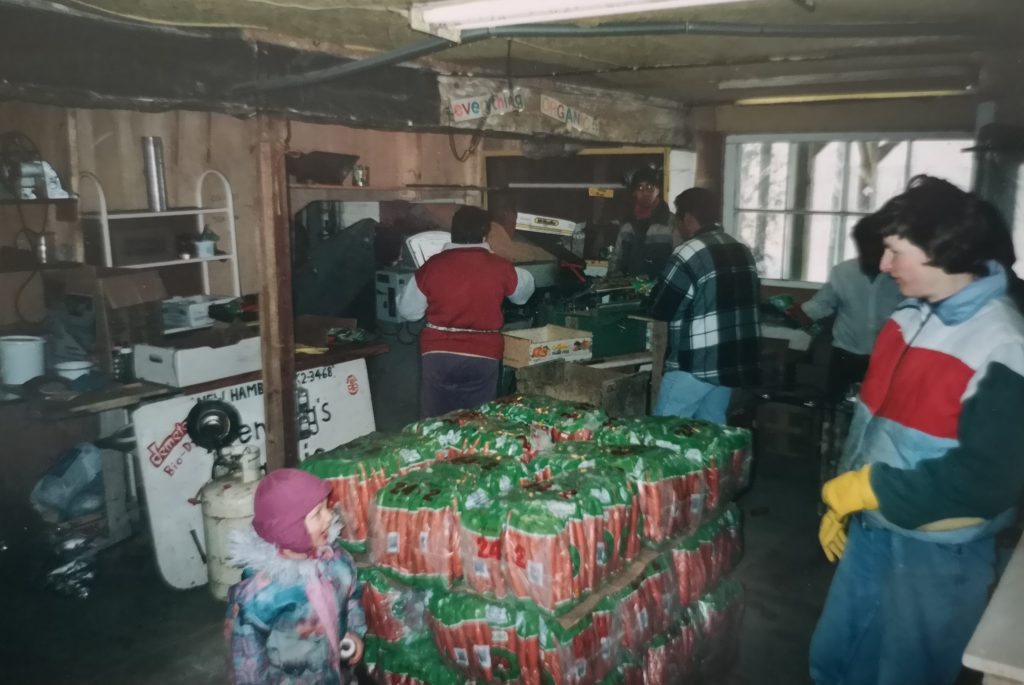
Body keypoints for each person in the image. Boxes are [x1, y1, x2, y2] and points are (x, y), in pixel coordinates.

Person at [810, 176, 1024, 685]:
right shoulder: (908, 319)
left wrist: (870, 487)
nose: (883, 266)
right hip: (874, 528)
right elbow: (872, 422)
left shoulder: (1004, 345)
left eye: (894, 252)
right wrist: (847, 494)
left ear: (942, 250)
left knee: (907, 674)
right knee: (836, 661)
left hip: (937, 553)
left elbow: (988, 480)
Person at [226, 468, 366, 685]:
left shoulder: (337, 561)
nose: (329, 517)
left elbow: (352, 598)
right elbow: (247, 662)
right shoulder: (263, 595)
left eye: (326, 508)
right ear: (288, 529)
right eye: (317, 513)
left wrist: (353, 632)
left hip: (337, 675)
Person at [397, 206, 535, 417]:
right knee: (477, 424)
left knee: (436, 423)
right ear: (485, 233)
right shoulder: (500, 267)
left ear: (453, 232)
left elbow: (408, 311)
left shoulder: (432, 267)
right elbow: (522, 295)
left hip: (438, 357)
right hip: (483, 357)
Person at [649, 187, 761, 424]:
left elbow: (662, 307)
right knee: (709, 433)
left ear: (688, 217)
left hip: (695, 366)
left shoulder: (688, 252)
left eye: (679, 218)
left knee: (664, 434)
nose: (679, 225)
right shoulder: (741, 250)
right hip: (730, 364)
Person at [790, 212, 903, 402]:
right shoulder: (843, 272)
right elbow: (822, 304)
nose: (868, 255)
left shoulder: (902, 276)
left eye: (874, 249)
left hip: (890, 360)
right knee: (838, 413)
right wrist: (802, 313)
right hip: (845, 358)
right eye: (863, 248)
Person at [607, 167, 679, 279]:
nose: (645, 192)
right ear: (634, 193)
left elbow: (678, 261)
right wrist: (614, 276)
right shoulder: (627, 225)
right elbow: (616, 259)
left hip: (659, 291)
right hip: (630, 292)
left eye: (650, 187)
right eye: (640, 188)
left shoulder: (671, 222)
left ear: (658, 190)